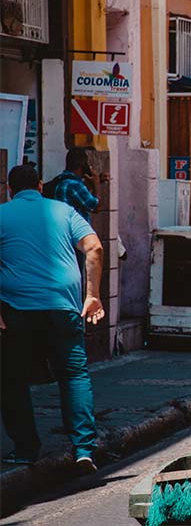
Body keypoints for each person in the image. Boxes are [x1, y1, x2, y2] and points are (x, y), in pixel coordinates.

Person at [0, 164, 104, 473]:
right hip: (64, 308)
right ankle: (84, 448)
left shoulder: (2, 214)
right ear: (41, 186)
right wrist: (92, 294)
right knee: (73, 375)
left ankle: (26, 450)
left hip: (17, 310)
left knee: (12, 381)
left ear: (9, 189)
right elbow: (95, 247)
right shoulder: (65, 211)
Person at [51, 147, 103, 222]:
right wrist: (96, 184)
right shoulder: (75, 185)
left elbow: (83, 201)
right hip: (76, 230)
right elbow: (96, 207)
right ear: (83, 165)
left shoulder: (60, 180)